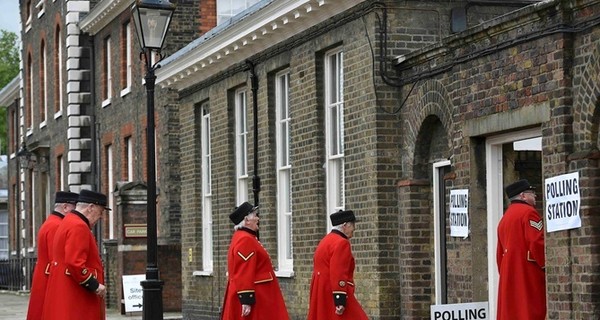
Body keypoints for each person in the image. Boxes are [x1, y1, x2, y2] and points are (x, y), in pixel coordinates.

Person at [41, 189, 111, 320]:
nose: (100, 217)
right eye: (100, 212)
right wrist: (94, 285)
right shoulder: (79, 226)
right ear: (91, 207)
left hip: (65, 288)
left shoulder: (68, 221)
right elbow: (74, 262)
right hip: (75, 292)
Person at [221, 202, 290, 320]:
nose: (257, 218)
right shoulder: (245, 240)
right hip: (258, 297)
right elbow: (244, 270)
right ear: (246, 220)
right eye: (255, 216)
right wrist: (246, 299)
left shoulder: (245, 237)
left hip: (259, 294)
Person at [496, 179, 546, 320]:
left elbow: (499, 254)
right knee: (531, 310)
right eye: (532, 193)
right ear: (523, 195)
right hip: (527, 272)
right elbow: (537, 242)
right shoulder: (529, 213)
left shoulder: (504, 218)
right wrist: (546, 265)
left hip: (509, 273)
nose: (535, 196)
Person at [307, 209, 368, 320]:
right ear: (345, 225)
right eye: (353, 225)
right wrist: (340, 298)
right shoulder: (342, 243)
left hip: (321, 290)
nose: (354, 228)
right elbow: (338, 272)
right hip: (334, 290)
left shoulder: (326, 240)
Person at [26, 191, 79, 320]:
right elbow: (56, 258)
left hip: (44, 275)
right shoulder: (58, 225)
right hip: (50, 278)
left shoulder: (51, 222)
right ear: (65, 207)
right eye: (75, 207)